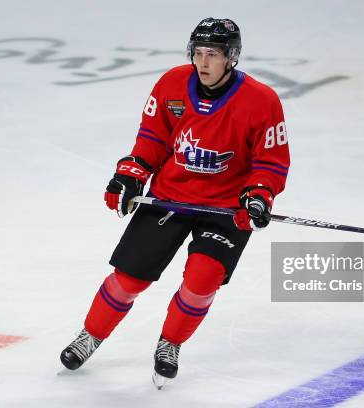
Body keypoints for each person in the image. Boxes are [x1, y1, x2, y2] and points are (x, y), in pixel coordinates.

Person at [60, 17, 290, 389]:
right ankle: (91, 335)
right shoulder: (171, 84)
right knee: (128, 279)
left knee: (203, 281)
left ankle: (170, 344)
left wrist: (259, 195)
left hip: (225, 209)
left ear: (231, 57)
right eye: (198, 53)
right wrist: (131, 172)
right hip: (170, 196)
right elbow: (153, 136)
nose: (203, 63)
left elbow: (270, 161)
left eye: (212, 55)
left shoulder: (261, 101)